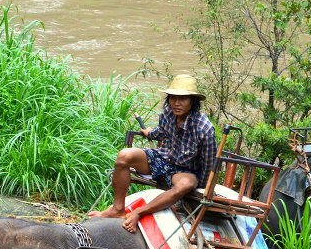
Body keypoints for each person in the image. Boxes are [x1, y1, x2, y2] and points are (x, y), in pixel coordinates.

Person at [89, 75, 217, 233]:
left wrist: (200, 188)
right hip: (163, 159)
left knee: (185, 184)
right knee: (124, 155)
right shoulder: (168, 114)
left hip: (185, 171)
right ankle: (117, 209)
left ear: (192, 101)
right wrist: (149, 133)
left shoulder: (204, 128)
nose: (177, 103)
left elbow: (209, 164)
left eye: (182, 99)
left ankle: (138, 212)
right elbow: (162, 132)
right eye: (173, 98)